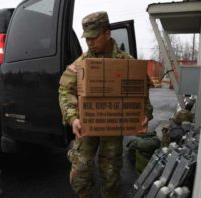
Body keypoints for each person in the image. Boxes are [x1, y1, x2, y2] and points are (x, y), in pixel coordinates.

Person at [58, 11, 153, 198]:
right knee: (79, 174)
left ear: (107, 34)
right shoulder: (81, 64)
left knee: (111, 175)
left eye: (94, 36)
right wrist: (73, 118)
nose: (89, 42)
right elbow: (64, 90)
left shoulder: (127, 63)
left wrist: (144, 115)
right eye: (87, 38)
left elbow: (141, 92)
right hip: (87, 124)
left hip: (112, 125)